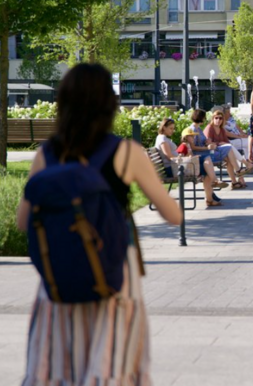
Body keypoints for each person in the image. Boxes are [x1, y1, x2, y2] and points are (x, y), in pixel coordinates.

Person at [16, 63, 182, 385]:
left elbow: (24, 221)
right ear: (110, 104)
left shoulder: (46, 154)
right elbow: (172, 215)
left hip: (59, 274)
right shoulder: (126, 152)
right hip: (115, 271)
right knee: (112, 365)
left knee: (59, 366)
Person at [186, 109, 245, 190]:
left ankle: (235, 180)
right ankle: (238, 173)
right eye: (204, 117)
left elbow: (204, 142)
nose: (205, 119)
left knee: (228, 155)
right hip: (202, 154)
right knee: (229, 149)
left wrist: (208, 142)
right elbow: (193, 147)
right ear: (201, 118)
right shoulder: (192, 129)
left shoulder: (198, 128)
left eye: (220, 118)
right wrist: (207, 147)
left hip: (208, 151)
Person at [177, 127, 229, 206]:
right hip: (188, 168)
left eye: (193, 136)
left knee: (207, 169)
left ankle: (211, 193)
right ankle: (214, 185)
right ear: (186, 137)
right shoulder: (184, 146)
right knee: (207, 167)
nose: (194, 138)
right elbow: (180, 157)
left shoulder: (188, 146)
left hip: (192, 165)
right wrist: (190, 157)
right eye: (191, 136)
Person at [204, 109, 253, 178]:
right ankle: (243, 167)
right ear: (213, 119)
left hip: (220, 150)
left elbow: (226, 141)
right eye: (216, 118)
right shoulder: (210, 128)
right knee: (230, 148)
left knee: (230, 148)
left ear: (223, 120)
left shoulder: (221, 129)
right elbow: (208, 143)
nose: (218, 120)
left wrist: (223, 143)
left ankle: (238, 175)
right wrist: (219, 143)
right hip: (211, 152)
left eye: (220, 118)